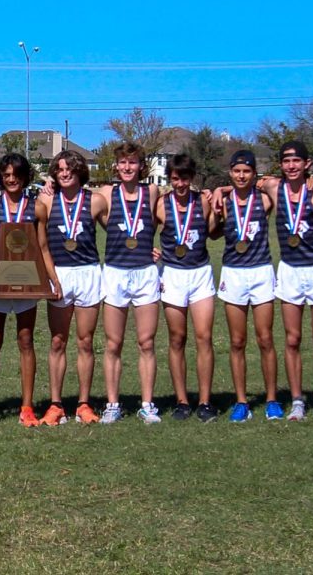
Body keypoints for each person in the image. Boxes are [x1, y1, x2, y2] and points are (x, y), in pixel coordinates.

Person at [251, 142, 313, 421]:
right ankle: (298, 400)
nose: (291, 166)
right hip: (290, 270)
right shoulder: (273, 187)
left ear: (307, 163)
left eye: (296, 161)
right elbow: (243, 182)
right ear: (281, 165)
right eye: (286, 161)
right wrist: (219, 190)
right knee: (292, 338)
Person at [0, 153, 60, 428]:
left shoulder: (38, 208)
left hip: (28, 283)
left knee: (26, 341)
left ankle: (27, 408)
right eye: (6, 175)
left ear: (24, 178)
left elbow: (43, 247)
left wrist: (54, 280)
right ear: (0, 177)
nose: (11, 180)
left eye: (16, 175)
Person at [38, 150, 107, 425]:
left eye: (70, 169)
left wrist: (144, 247)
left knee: (86, 342)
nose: (65, 173)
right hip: (58, 275)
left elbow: (116, 232)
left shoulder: (96, 201)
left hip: (89, 272)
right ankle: (55, 404)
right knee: (57, 341)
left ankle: (84, 403)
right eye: (60, 169)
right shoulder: (45, 199)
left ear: (80, 171)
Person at [211, 150, 280, 422]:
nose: (241, 176)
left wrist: (223, 187)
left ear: (254, 174)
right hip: (234, 273)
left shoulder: (264, 200)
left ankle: (272, 399)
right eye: (237, 171)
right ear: (230, 171)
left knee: (265, 339)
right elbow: (214, 234)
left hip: (262, 271)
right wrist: (218, 202)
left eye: (247, 171)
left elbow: (278, 185)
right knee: (237, 341)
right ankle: (241, 401)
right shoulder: (224, 203)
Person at [96, 143, 162, 424]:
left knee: (146, 342)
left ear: (141, 166)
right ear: (116, 166)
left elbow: (172, 214)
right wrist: (49, 188)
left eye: (132, 163)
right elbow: (78, 203)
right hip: (115, 272)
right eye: (122, 163)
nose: (127, 167)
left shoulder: (153, 192)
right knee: (114, 343)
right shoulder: (106, 194)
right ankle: (113, 404)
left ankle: (147, 404)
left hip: (146, 272)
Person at [155, 155, 219, 422]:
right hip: (172, 274)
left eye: (185, 178)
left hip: (200, 273)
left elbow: (215, 232)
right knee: (177, 338)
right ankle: (182, 400)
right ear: (170, 179)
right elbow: (143, 229)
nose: (180, 183)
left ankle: (204, 401)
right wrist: (149, 248)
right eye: (175, 178)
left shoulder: (202, 202)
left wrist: (219, 198)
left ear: (192, 178)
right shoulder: (160, 204)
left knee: (204, 337)